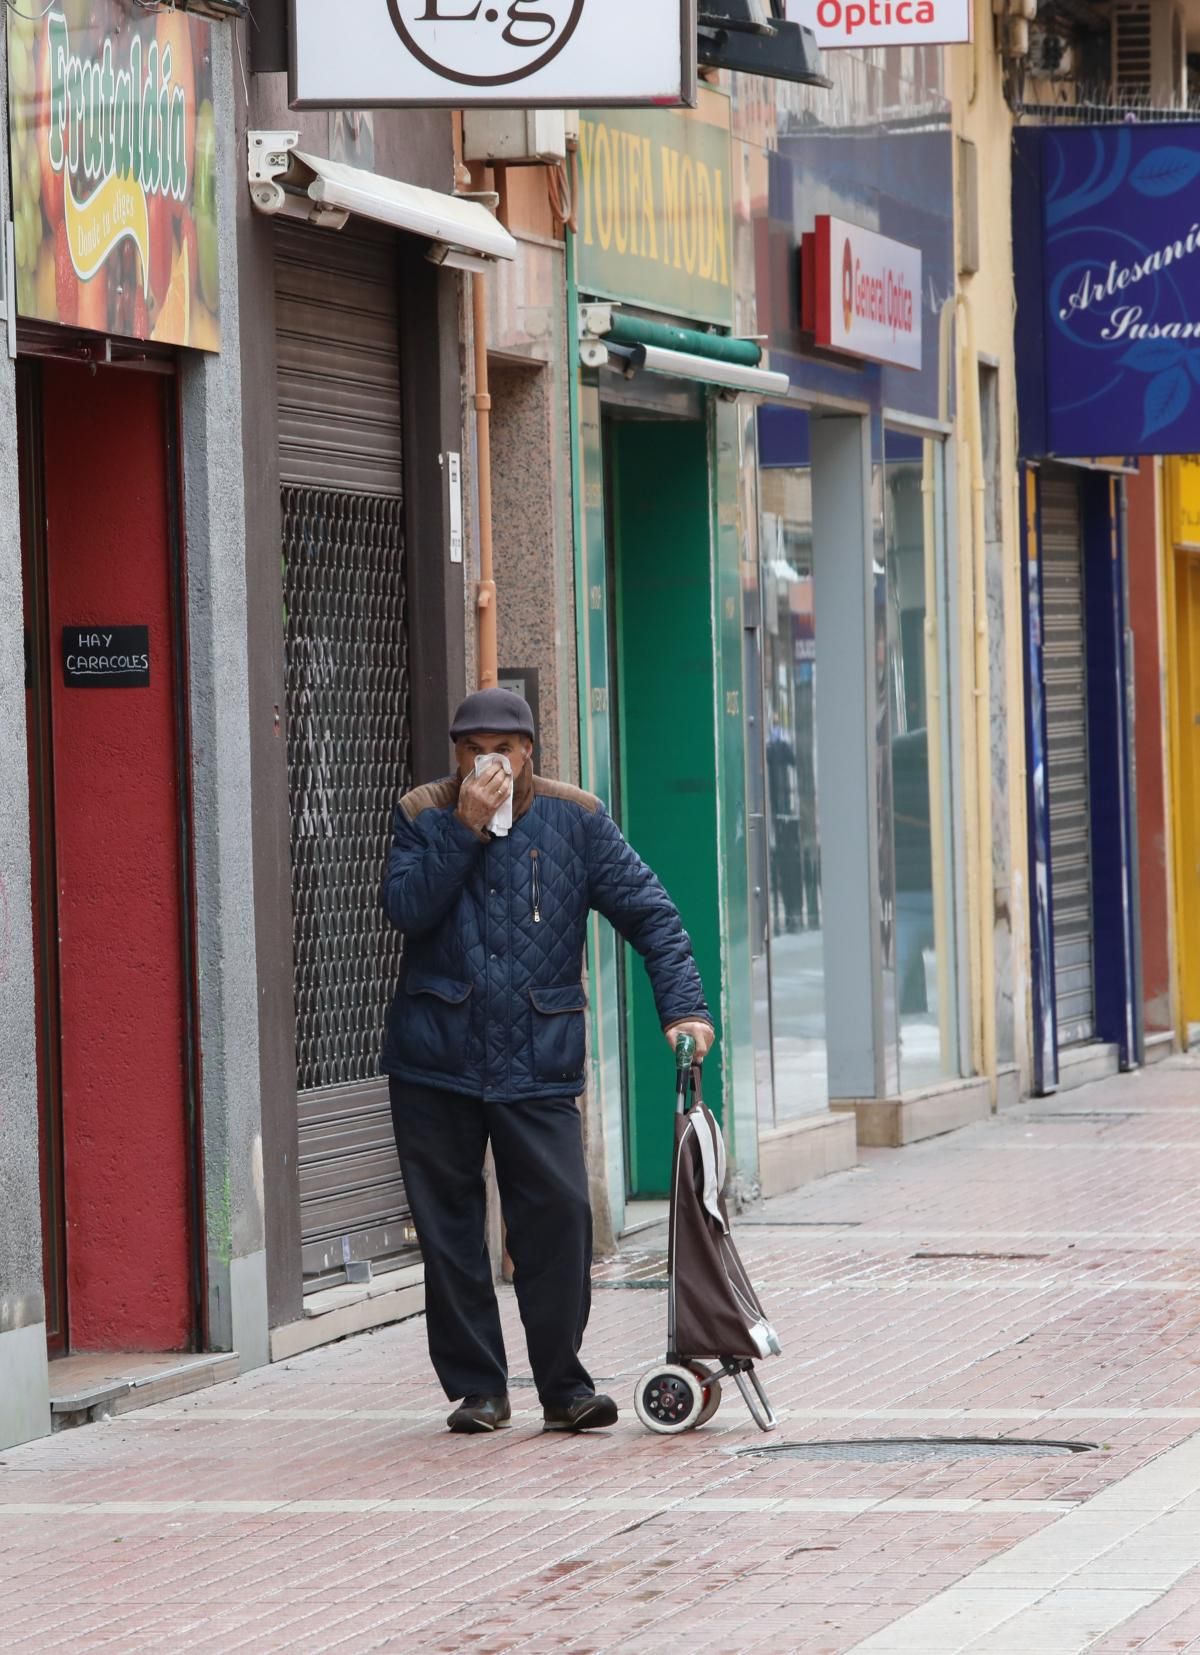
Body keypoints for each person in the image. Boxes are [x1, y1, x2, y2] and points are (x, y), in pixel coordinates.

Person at [380, 688, 714, 1435]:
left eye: (504, 745)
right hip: (436, 1055)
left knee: (560, 1216)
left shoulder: (579, 819)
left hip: (539, 1053)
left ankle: (563, 1383)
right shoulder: (421, 813)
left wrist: (683, 1007)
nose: (488, 759)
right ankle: (480, 1390)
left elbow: (651, 913)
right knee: (451, 1230)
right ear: (457, 752)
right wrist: (463, 830)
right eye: (473, 747)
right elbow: (404, 909)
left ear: (530, 749)